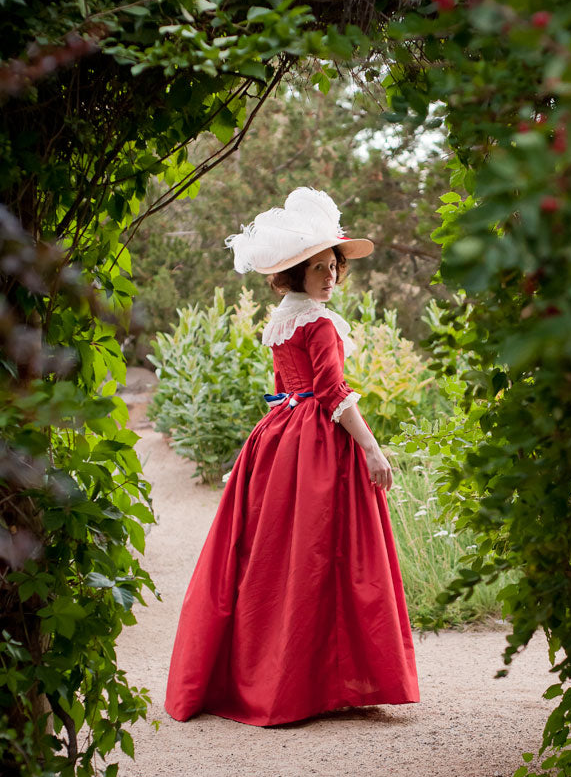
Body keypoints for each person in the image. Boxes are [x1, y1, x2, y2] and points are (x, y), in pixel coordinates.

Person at [164, 187, 420, 726]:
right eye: (320, 267)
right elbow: (330, 393)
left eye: (334, 267)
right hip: (316, 444)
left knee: (276, 557)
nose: (330, 276)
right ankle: (311, 682)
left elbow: (288, 388)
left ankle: (278, 673)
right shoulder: (320, 323)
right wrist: (371, 448)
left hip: (280, 436)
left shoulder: (286, 317)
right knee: (322, 556)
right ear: (297, 271)